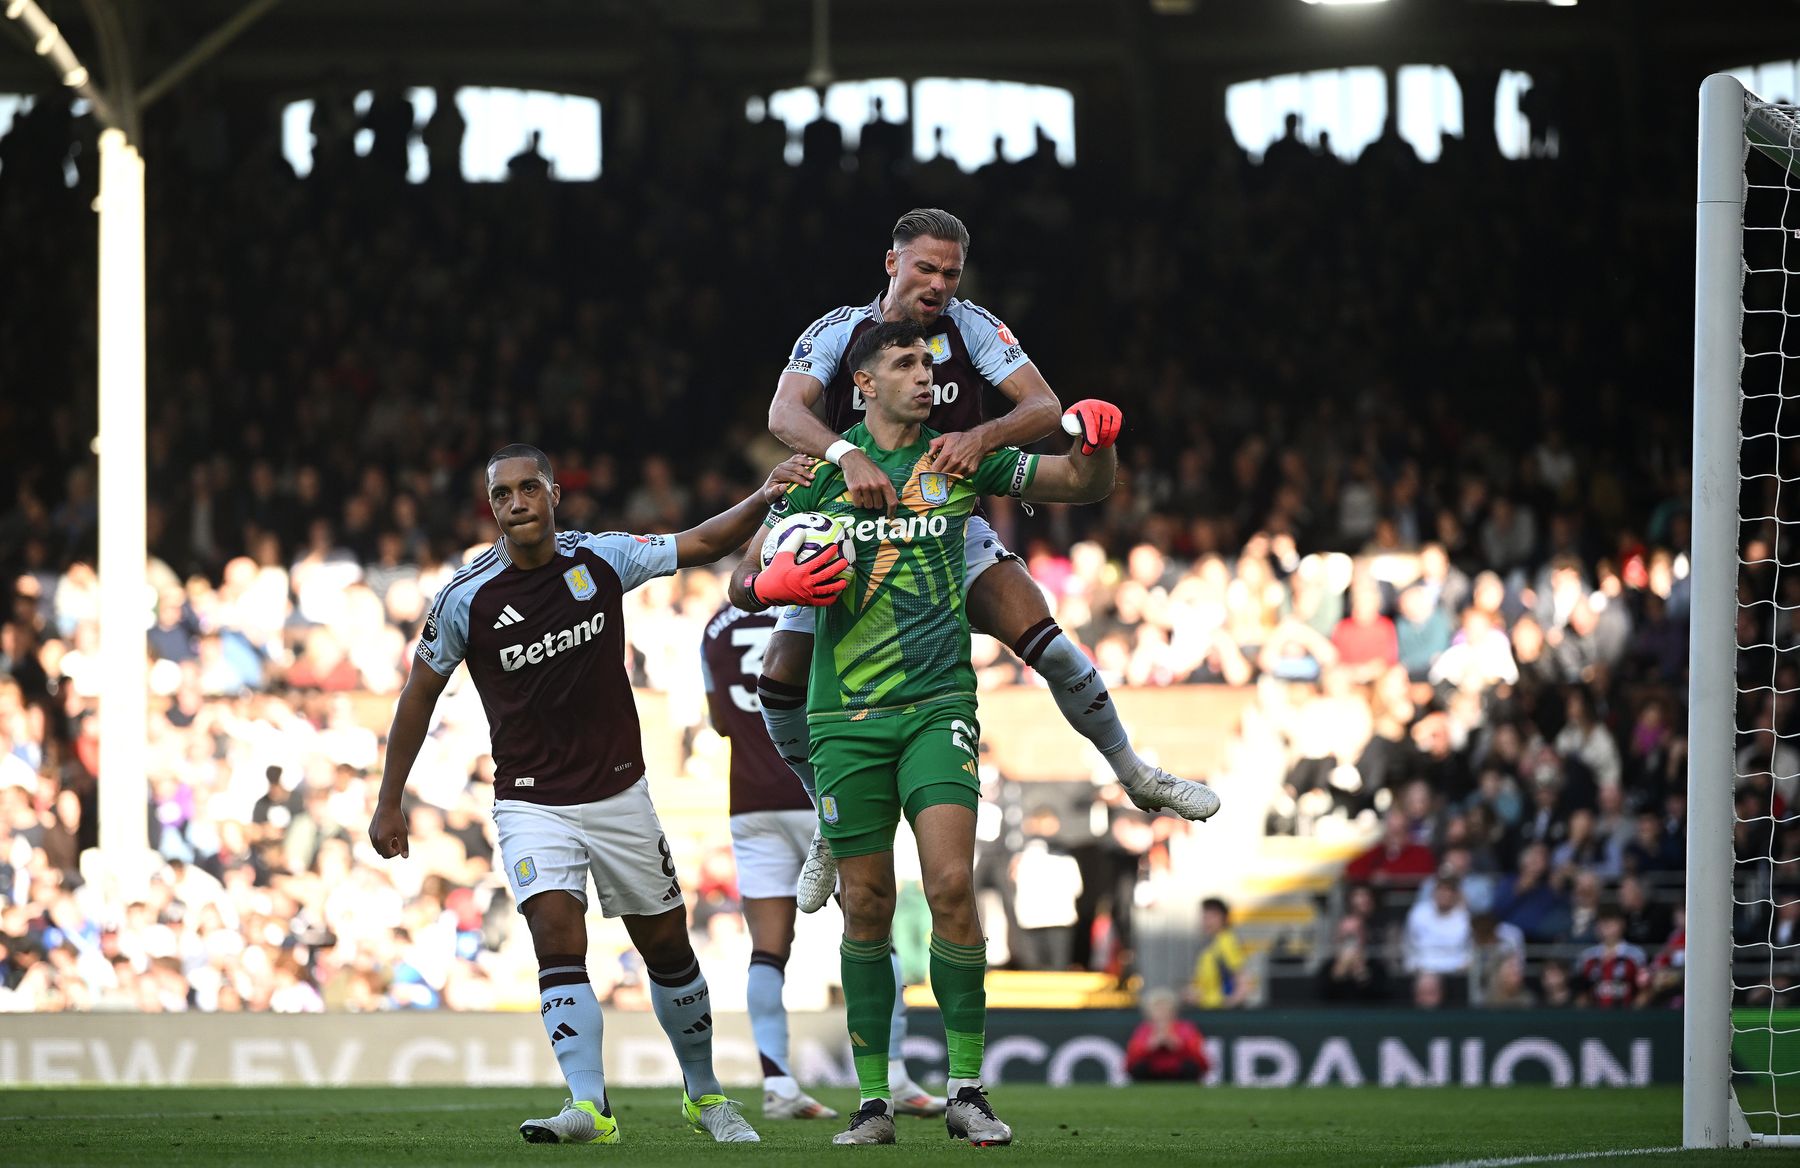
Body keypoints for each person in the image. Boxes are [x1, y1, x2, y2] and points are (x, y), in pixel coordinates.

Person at [728, 319, 1126, 1146]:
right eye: (905, 363)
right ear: (863, 384)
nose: (926, 374)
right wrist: (770, 581)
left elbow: (1079, 484)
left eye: (930, 362)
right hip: (843, 722)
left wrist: (1099, 441)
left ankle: (968, 1089)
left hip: (938, 706)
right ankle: (874, 1102)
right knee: (865, 905)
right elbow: (740, 579)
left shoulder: (961, 457)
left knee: (950, 886)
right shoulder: (817, 476)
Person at [760, 208, 1219, 914]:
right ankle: (826, 809)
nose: (938, 284)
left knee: (1052, 646)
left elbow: (1043, 406)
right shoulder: (837, 331)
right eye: (925, 269)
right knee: (779, 677)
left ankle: (1134, 772)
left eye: (950, 273)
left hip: (946, 519)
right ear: (893, 264)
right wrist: (846, 455)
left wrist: (982, 436)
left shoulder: (973, 327)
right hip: (852, 521)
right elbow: (785, 414)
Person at [368, 442, 825, 1146]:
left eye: (528, 489)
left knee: (666, 946)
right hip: (529, 799)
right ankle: (590, 1107)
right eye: (502, 495)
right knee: (556, 934)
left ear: (554, 494)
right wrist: (388, 797)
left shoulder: (600, 559)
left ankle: (704, 1096)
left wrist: (765, 497)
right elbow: (417, 696)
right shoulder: (466, 598)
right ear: (490, 507)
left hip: (619, 794)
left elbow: (701, 542)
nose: (516, 503)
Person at [699, 600, 943, 1121]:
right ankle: (894, 1072)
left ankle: (779, 1085)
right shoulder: (819, 605)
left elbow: (721, 719)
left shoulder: (715, 627)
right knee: (871, 922)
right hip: (824, 783)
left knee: (767, 949)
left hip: (750, 800)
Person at [1125, 987, 1209, 1082]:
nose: (1161, 1013)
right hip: (1151, 1074)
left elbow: (1201, 1061)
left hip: (1180, 1073)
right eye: (1157, 1008)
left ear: (1173, 1011)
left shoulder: (1186, 1028)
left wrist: (1179, 1046)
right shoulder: (1143, 1030)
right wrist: (1149, 1047)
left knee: (1190, 1067)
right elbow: (1130, 1062)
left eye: (1165, 1008)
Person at [1191, 897, 1250, 1009]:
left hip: (1221, 1010)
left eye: (1211, 917)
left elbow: (1242, 980)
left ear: (1223, 918)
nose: (1206, 921)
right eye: (1204, 916)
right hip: (1209, 1007)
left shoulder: (1227, 941)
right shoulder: (1211, 944)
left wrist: (1228, 1006)